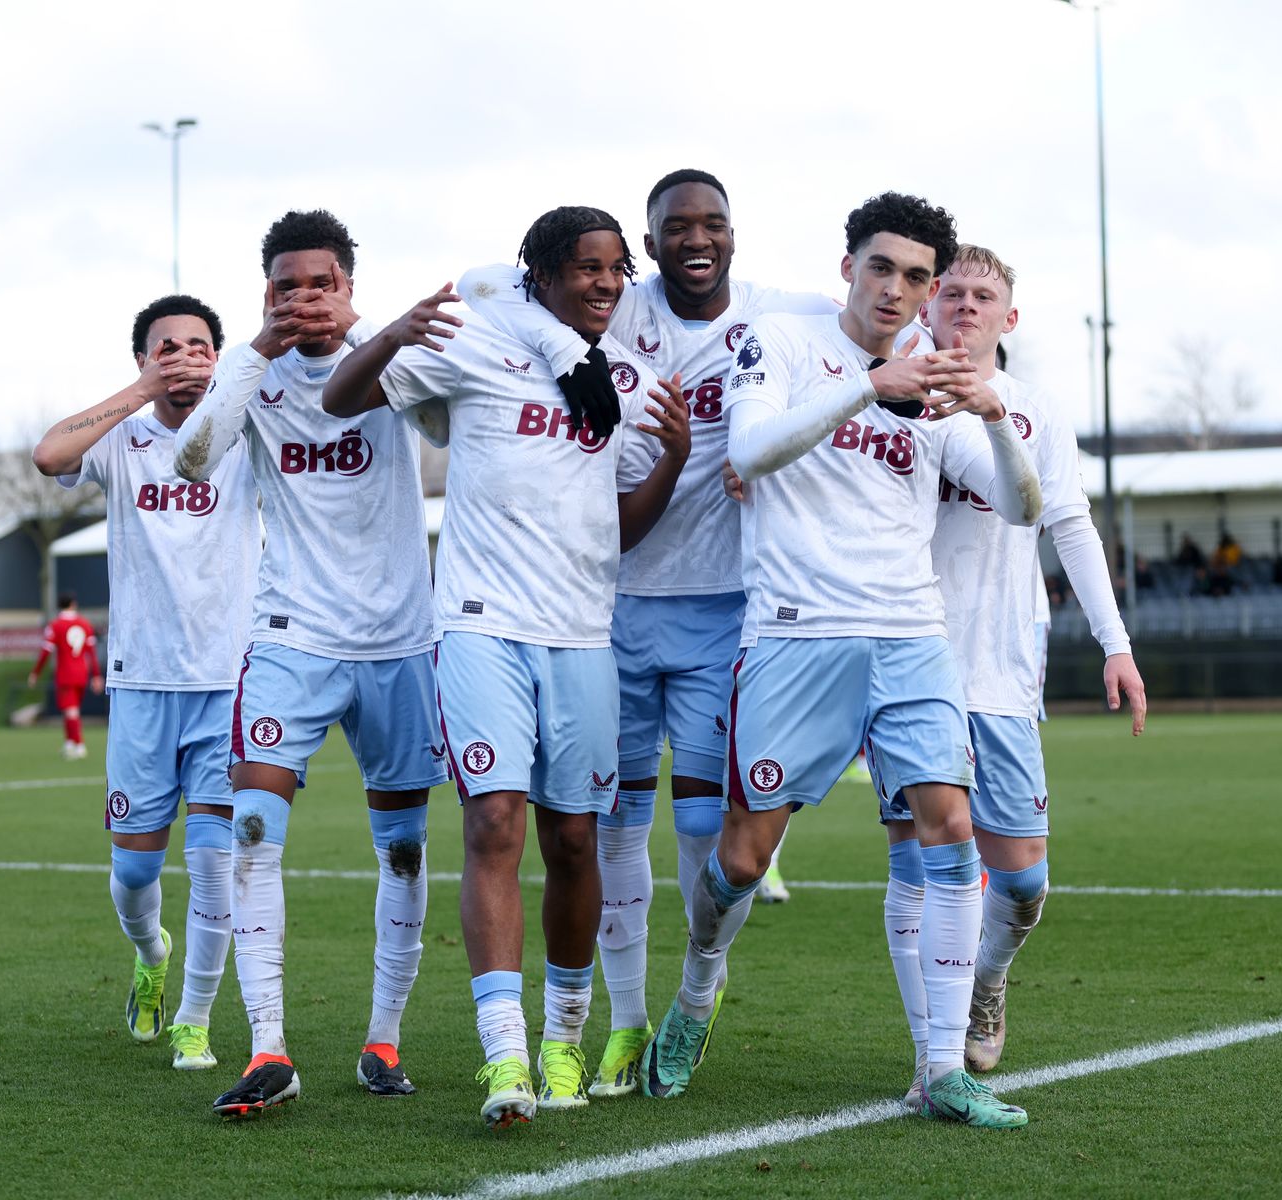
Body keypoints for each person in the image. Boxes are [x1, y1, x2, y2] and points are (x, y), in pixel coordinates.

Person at [642, 193, 1039, 1128]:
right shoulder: (780, 343)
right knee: (742, 859)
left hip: (909, 634)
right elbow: (750, 448)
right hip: (794, 633)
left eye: (915, 277)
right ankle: (700, 990)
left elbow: (1021, 510)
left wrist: (989, 414)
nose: (896, 289)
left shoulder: (938, 380)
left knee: (949, 831)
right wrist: (871, 387)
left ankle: (942, 1068)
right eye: (880, 268)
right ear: (848, 267)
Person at [456, 168, 837, 1092]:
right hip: (610, 608)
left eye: (712, 224)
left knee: (711, 836)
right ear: (648, 243)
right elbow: (486, 283)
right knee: (611, 830)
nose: (695, 240)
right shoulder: (616, 311)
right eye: (674, 228)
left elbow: (868, 325)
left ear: (736, 235)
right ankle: (624, 1024)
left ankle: (692, 1001)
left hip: (725, 611)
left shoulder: (783, 316)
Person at [324, 205, 691, 1127]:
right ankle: (506, 1058)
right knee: (493, 822)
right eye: (584, 268)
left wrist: (674, 463)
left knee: (574, 842)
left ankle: (565, 1038)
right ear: (539, 273)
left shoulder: (633, 382)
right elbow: (340, 399)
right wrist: (400, 334)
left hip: (582, 639)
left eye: (615, 269)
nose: (605, 283)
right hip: (482, 627)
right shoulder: (475, 344)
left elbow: (621, 537)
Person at [172, 209, 448, 1116]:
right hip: (291, 638)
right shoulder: (252, 377)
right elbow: (194, 456)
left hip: (402, 643)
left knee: (403, 850)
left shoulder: (393, 360)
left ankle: (382, 1038)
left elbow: (452, 429)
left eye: (321, 284)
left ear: (349, 290)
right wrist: (249, 351)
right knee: (251, 829)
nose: (306, 300)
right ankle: (268, 1049)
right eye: (287, 286)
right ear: (268, 295)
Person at [922, 245, 1145, 1082]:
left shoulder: (1035, 412)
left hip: (1004, 671)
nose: (966, 306)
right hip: (911, 665)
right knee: (931, 864)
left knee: (1021, 884)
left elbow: (1071, 527)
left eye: (985, 297)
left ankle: (988, 982)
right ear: (926, 303)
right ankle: (934, 1058)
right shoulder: (888, 393)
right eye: (952, 292)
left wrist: (1114, 644)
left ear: (1008, 320)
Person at [31, 293, 259, 1073]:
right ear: (143, 358)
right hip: (139, 686)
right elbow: (48, 456)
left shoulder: (244, 428)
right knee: (134, 871)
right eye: (167, 347)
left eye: (198, 345)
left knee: (214, 862)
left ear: (218, 358)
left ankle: (195, 1018)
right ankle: (150, 953)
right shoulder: (121, 438)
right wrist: (139, 394)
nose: (184, 357)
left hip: (226, 683)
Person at [28, 592, 102, 759]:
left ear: (59, 605)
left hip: (65, 674)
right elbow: (92, 653)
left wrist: (35, 673)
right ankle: (69, 743)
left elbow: (45, 652)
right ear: (73, 604)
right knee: (71, 710)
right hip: (82, 673)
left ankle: (79, 745)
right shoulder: (85, 624)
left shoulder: (55, 625)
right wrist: (96, 676)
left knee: (71, 711)